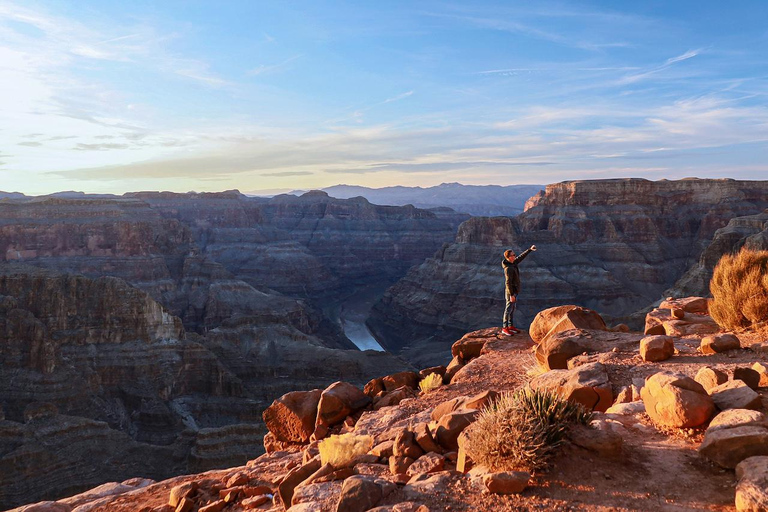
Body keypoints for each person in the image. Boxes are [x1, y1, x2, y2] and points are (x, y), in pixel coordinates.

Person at [501, 244, 537, 336]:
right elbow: (508, 282)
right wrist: (512, 295)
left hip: (514, 291)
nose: (515, 256)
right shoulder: (508, 268)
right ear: (509, 257)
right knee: (508, 309)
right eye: (513, 255)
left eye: (514, 254)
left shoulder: (513, 263)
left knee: (512, 309)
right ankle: (505, 328)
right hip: (510, 292)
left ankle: (510, 326)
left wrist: (529, 250)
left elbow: (521, 257)